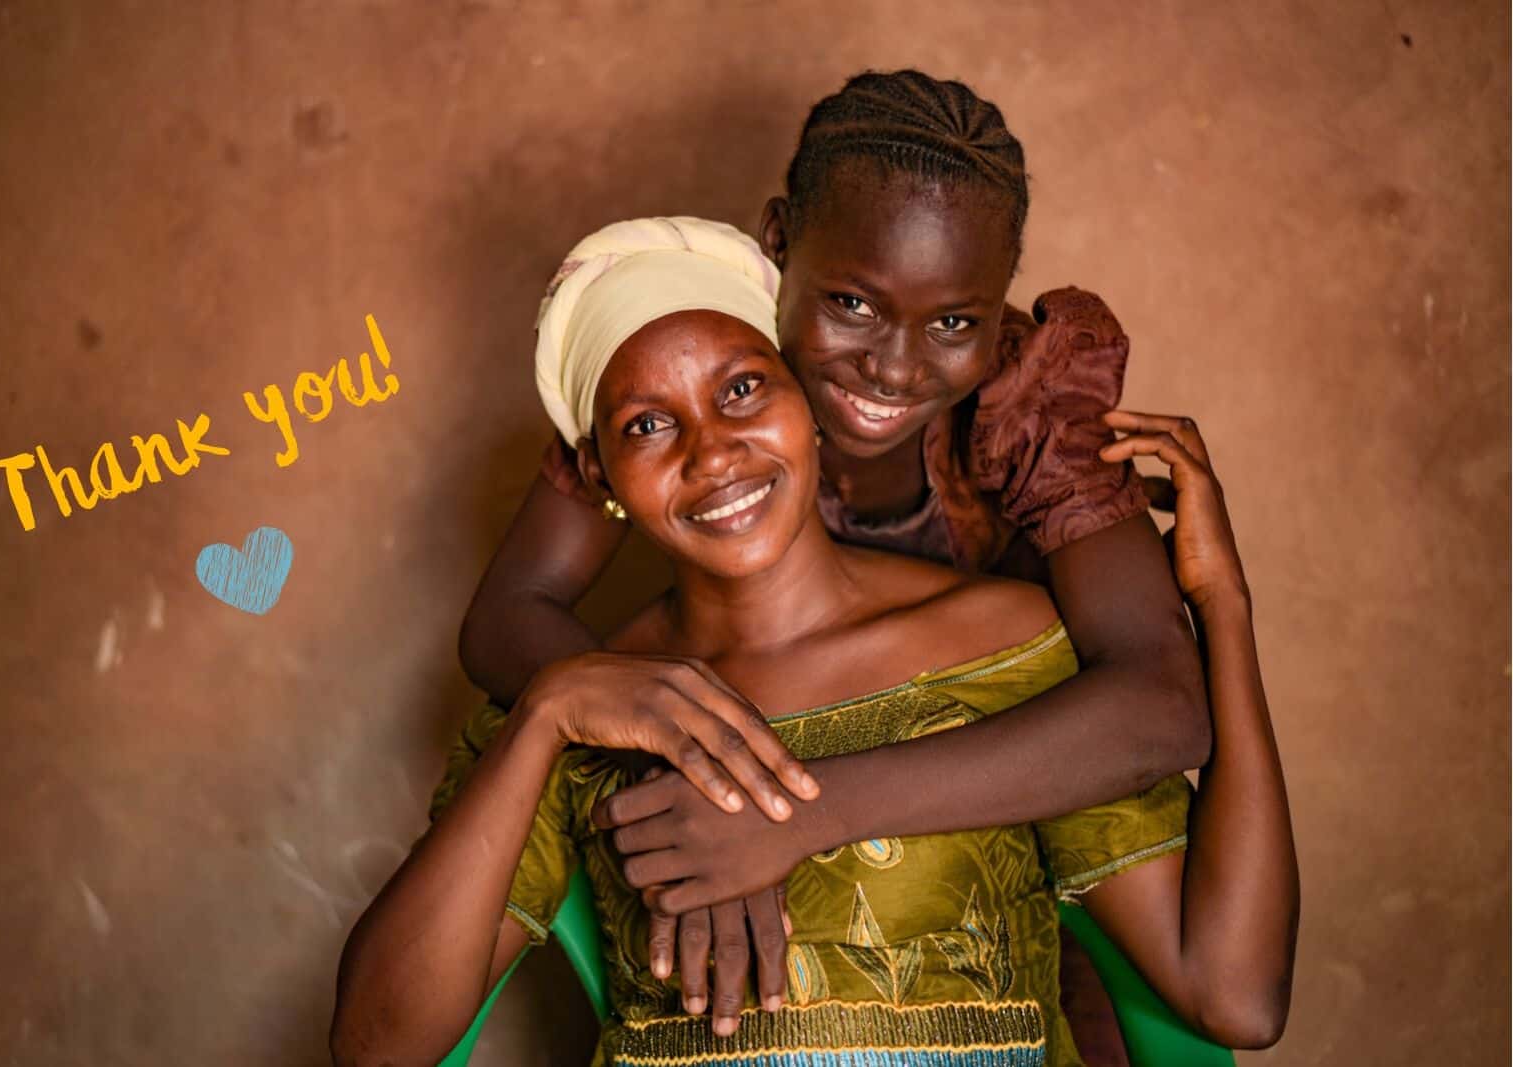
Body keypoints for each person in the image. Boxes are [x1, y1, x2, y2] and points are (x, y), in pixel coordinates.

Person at [329, 220, 1297, 1067]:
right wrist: (546, 711)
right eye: (647, 424)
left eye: (744, 387)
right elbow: (379, 1044)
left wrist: (1222, 604)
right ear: (603, 473)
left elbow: (1234, 994)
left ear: (814, 408)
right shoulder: (593, 709)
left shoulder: (1006, 649)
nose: (711, 452)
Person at [457, 72, 1212, 1059]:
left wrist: (792, 810)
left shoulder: (1032, 402)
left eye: (952, 322)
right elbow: (508, 612)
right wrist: (695, 751)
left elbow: (1160, 701)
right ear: (775, 250)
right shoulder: (700, 349)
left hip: (1009, 840)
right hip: (752, 909)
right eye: (851, 303)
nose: (894, 370)